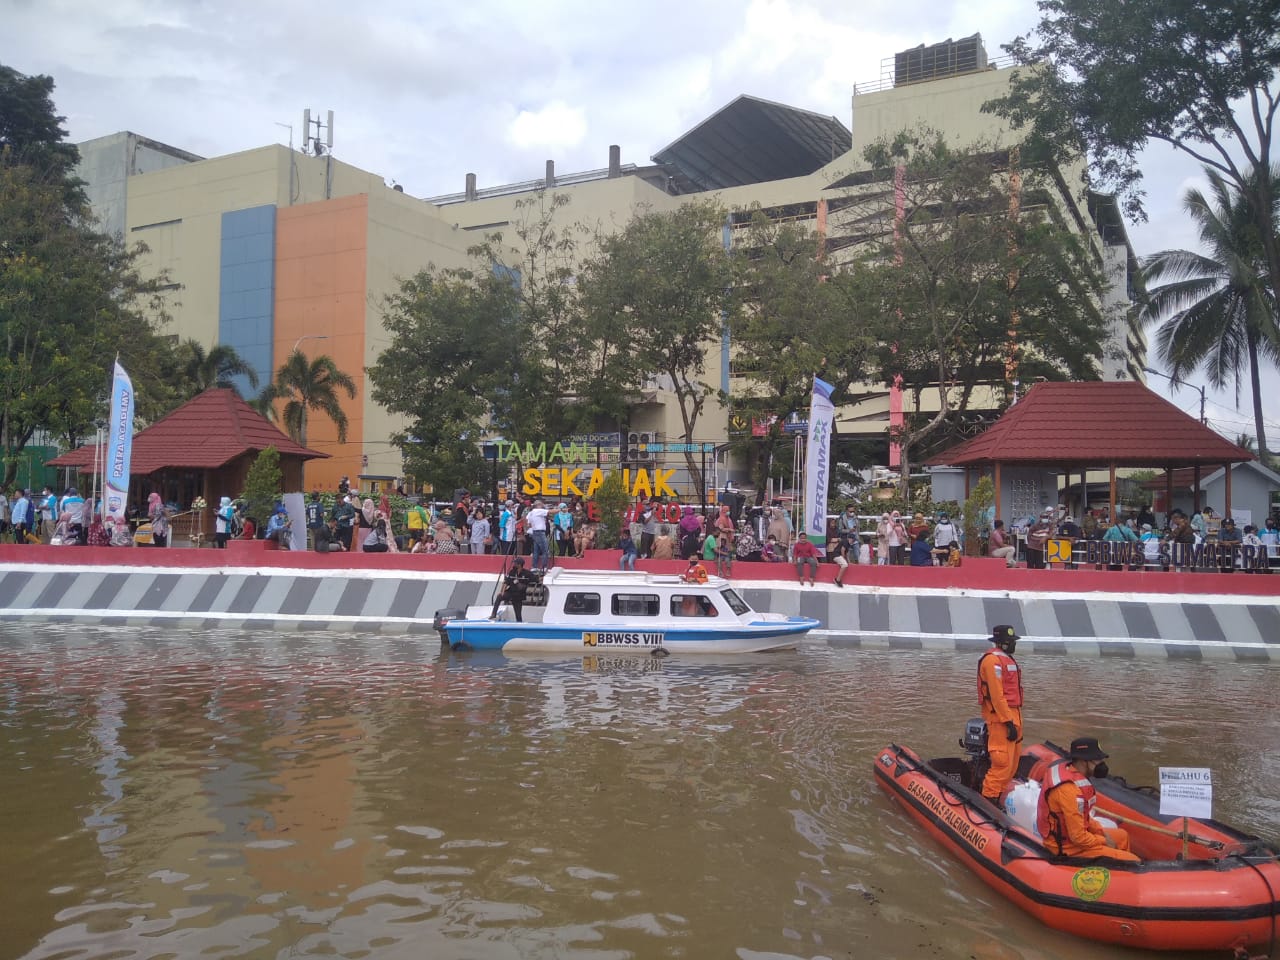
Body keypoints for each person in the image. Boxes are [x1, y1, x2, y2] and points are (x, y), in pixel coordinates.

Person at [1036, 737, 1140, 861]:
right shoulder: (1069, 791)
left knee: (1122, 836)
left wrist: (1102, 833)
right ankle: (1121, 866)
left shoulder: (1072, 773)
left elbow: (1084, 817)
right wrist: (1103, 841)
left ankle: (1116, 866)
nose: (1101, 764)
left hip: (1075, 836)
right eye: (1097, 760)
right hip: (1067, 847)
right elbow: (1078, 838)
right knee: (1133, 860)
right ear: (1083, 761)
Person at [977, 624, 1023, 806]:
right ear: (1002, 643)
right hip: (1000, 719)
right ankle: (987, 802)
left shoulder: (1005, 660)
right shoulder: (992, 661)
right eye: (1010, 642)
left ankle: (997, 799)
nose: (1013, 645)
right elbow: (996, 696)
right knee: (1001, 764)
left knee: (1012, 765)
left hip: (1014, 714)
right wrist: (1008, 722)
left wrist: (1014, 721)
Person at [526, 499, 551, 571]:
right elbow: (550, 511)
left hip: (534, 531)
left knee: (536, 550)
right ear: (538, 505)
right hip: (540, 532)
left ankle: (534, 566)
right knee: (545, 550)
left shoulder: (530, 513)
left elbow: (529, 524)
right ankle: (544, 567)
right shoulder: (538, 511)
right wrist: (560, 509)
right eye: (541, 505)